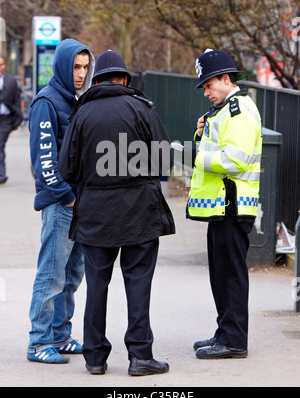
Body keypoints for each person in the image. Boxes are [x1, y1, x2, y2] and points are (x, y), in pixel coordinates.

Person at [59, 50, 175, 376]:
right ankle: (140, 356)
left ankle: (94, 357)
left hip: (96, 212)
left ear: (96, 81)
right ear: (125, 79)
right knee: (138, 284)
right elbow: (164, 160)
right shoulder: (141, 108)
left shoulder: (81, 114)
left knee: (97, 284)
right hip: (140, 211)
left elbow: (66, 168)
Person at [186, 49, 262, 359]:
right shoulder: (225, 110)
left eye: (208, 85)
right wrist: (201, 132)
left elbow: (236, 160)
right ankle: (224, 332)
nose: (206, 92)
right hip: (222, 206)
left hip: (232, 205)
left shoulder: (239, 111)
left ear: (225, 79)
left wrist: (197, 157)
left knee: (230, 275)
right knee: (221, 274)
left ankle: (233, 340)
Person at [27, 38, 95, 364]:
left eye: (84, 67)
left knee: (71, 275)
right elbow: (44, 161)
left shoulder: (74, 100)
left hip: (77, 202)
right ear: (63, 66)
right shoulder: (47, 102)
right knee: (51, 274)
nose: (80, 74)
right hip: (59, 203)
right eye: (75, 67)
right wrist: (67, 197)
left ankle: (61, 336)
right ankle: (39, 342)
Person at [0, 55, 23, 183]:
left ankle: (1, 174)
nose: (2, 67)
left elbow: (16, 99)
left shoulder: (11, 81)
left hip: (6, 119)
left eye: (3, 64)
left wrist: (17, 119)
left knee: (0, 143)